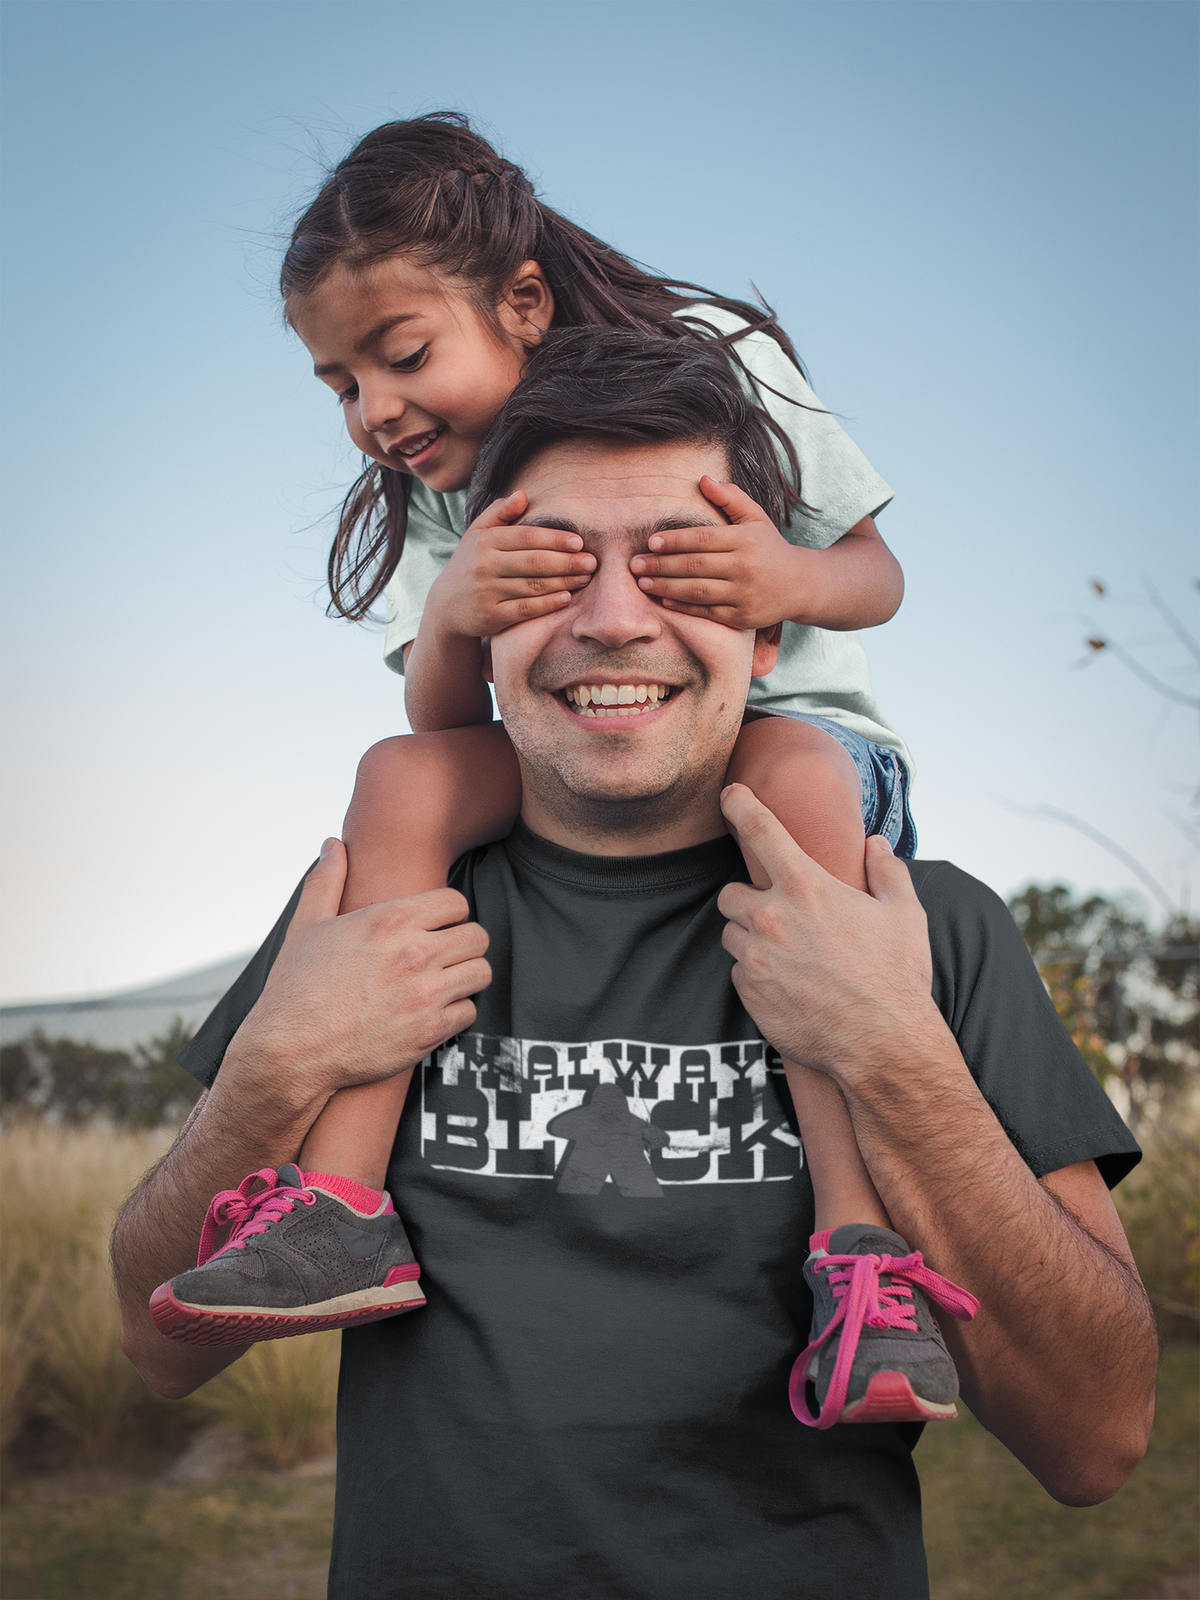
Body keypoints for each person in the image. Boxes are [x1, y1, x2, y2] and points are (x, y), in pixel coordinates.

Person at [113, 333, 1156, 1600]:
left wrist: (893, 1046)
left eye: (680, 565)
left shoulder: (925, 929)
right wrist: (274, 1065)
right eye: (552, 567)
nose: (614, 621)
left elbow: (1099, 1441)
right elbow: (154, 1347)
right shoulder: (375, 915)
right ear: (480, 621)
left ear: (771, 630)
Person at [148, 116, 934, 1399]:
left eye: (399, 357)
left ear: (521, 300)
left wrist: (777, 574)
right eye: (341, 385)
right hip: (584, 745)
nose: (375, 410)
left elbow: (877, 574)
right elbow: (442, 726)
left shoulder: (712, 360)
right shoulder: (446, 491)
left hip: (799, 740)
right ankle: (340, 1205)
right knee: (396, 782)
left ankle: (863, 1259)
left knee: (794, 773)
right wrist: (456, 604)